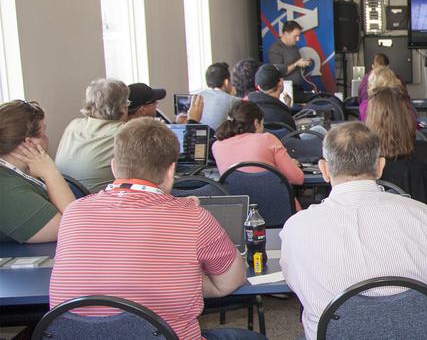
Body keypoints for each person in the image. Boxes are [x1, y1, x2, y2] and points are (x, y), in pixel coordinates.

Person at [49, 118, 264, 340]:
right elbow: (230, 281)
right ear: (171, 170)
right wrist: (180, 274)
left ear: (114, 167)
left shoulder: (73, 212)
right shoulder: (193, 217)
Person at [281, 122, 427, 340]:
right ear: (380, 166)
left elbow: (298, 289)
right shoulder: (421, 216)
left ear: (324, 169)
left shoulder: (297, 228)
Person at [0, 100, 75, 243]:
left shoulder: (19, 172)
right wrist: (50, 172)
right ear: (30, 143)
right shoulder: (7, 188)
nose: (47, 139)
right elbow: (74, 226)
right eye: (43, 132)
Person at [366, 88, 427, 213]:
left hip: (378, 225)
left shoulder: (363, 157)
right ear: (406, 115)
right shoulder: (424, 150)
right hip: (420, 223)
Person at [56, 78, 129, 192]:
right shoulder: (125, 133)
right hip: (101, 204)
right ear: (123, 107)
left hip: (65, 199)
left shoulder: (73, 126)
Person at [210, 101, 304, 186]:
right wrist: (289, 165)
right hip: (274, 201)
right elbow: (298, 179)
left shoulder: (216, 146)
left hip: (239, 204)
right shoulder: (267, 139)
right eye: (262, 123)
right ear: (256, 123)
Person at [190, 62, 239, 130]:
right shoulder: (232, 100)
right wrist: (233, 95)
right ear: (226, 82)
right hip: (218, 138)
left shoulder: (197, 96)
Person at [246, 64, 296, 130]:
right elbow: (295, 138)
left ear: (259, 87)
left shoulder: (247, 109)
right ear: (280, 83)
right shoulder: (284, 117)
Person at [268, 20, 312, 92]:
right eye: (295, 36)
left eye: (299, 36)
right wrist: (296, 64)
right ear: (286, 34)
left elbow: (298, 65)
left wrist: (303, 65)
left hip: (298, 87)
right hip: (285, 90)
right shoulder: (275, 49)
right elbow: (279, 72)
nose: (298, 39)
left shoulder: (293, 46)